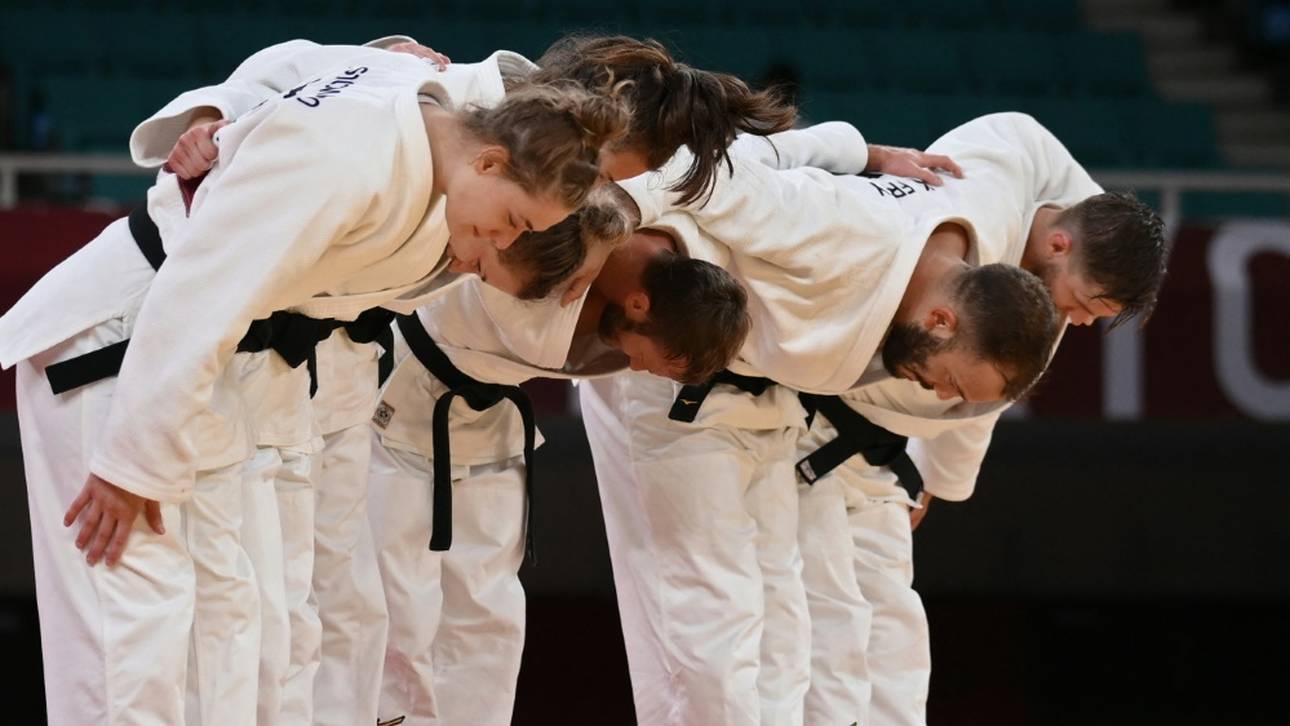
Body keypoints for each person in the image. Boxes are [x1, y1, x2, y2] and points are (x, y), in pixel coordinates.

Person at [0, 39, 625, 724]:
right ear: (491, 158)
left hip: (225, 364)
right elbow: (197, 292)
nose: (506, 242)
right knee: (132, 638)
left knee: (247, 628)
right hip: (127, 345)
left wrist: (233, 118)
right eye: (513, 221)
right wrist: (129, 462)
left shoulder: (414, 95)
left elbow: (300, 63)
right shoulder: (346, 150)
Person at [792, 112, 1167, 726]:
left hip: (880, 459)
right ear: (1058, 244)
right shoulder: (981, 199)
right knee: (827, 641)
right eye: (1091, 304)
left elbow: (978, 406)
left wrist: (934, 479)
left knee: (895, 642)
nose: (1082, 322)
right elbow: (1017, 135)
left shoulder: (1040, 297)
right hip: (809, 422)